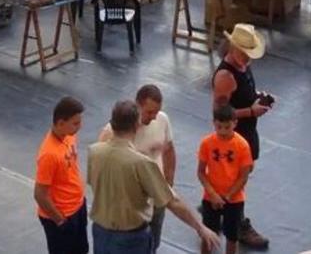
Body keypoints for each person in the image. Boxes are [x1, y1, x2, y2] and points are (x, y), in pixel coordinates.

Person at [88, 101, 220, 254]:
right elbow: (171, 201)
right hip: (130, 238)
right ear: (136, 125)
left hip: (100, 232)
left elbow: (95, 183)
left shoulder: (94, 152)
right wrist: (200, 227)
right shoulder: (141, 163)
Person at [212, 25, 271, 250]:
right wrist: (251, 111)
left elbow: (242, 95)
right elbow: (219, 115)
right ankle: (236, 223)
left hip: (247, 132)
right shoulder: (225, 76)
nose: (248, 58)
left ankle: (217, 207)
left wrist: (258, 97)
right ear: (233, 48)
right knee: (236, 181)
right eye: (244, 52)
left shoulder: (243, 65)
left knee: (244, 175)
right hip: (233, 136)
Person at [98, 85, 176, 253]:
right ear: (137, 105)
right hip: (131, 206)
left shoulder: (162, 120)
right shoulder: (113, 132)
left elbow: (169, 149)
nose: (154, 117)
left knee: (153, 242)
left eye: (156, 112)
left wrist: (169, 181)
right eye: (149, 112)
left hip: (155, 197)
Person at [35, 97, 89, 254]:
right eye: (76, 123)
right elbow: (40, 194)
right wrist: (60, 221)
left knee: (81, 250)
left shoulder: (69, 135)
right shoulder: (49, 154)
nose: (80, 126)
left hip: (77, 207)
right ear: (60, 123)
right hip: (63, 216)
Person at [197, 105, 253, 254]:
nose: (222, 131)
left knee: (232, 236)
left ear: (235, 123)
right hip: (211, 197)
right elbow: (201, 172)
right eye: (219, 127)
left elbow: (243, 176)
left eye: (227, 127)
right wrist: (213, 194)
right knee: (208, 233)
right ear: (213, 123)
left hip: (234, 199)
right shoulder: (206, 143)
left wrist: (227, 197)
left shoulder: (242, 146)